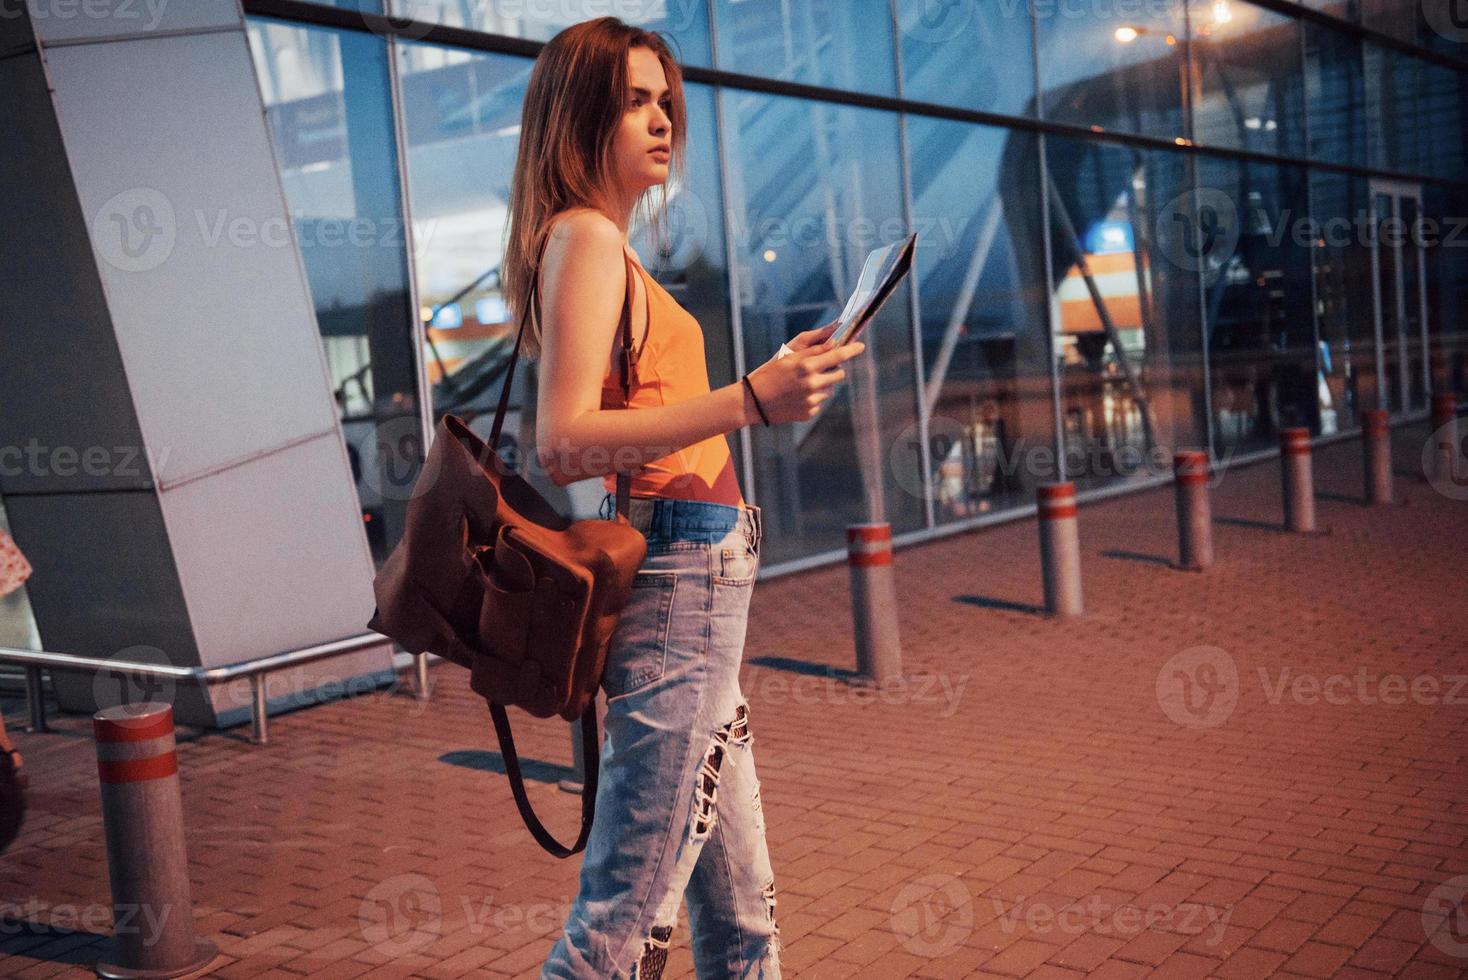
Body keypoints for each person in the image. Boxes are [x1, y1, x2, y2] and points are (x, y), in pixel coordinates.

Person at [500, 16, 865, 979]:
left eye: (667, 101)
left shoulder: (609, 248)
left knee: (742, 918)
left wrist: (772, 380)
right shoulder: (582, 238)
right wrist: (750, 398)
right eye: (634, 101)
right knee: (623, 923)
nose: (663, 120)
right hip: (676, 584)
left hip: (700, 585)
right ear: (579, 118)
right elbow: (564, 439)